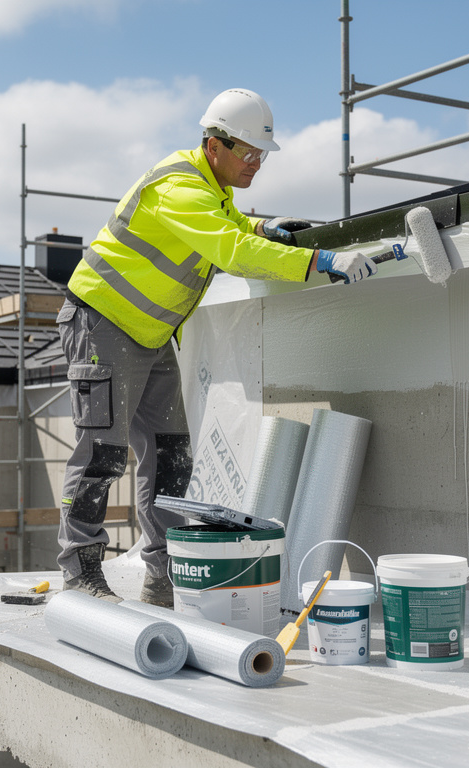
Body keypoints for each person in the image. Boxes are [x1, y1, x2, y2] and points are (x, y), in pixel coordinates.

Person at [55, 88, 379, 606]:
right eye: (247, 153)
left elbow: (228, 225)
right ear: (214, 145)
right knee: (102, 455)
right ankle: (80, 570)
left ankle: (162, 577)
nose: (256, 164)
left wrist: (261, 225)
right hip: (103, 323)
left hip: (150, 333)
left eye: (261, 156)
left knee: (170, 457)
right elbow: (228, 247)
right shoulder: (179, 185)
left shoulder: (210, 190)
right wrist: (320, 262)